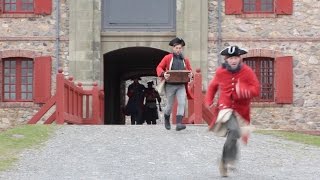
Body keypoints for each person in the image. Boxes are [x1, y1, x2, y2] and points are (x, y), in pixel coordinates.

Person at [205, 45, 260, 177]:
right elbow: (213, 86)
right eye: (230, 58)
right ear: (226, 59)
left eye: (235, 57)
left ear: (240, 58)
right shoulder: (220, 72)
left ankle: (229, 159)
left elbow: (256, 90)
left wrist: (244, 91)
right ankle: (225, 161)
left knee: (235, 135)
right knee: (234, 131)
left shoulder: (247, 71)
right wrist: (209, 100)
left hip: (241, 110)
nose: (233, 60)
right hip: (225, 108)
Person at [156, 37, 193, 131]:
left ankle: (179, 123)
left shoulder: (185, 60)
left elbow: (190, 71)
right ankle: (167, 117)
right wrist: (163, 74)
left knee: (182, 102)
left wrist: (191, 74)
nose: (178, 50)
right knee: (170, 105)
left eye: (180, 48)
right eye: (176, 48)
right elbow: (159, 67)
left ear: (182, 49)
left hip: (181, 85)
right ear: (173, 48)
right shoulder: (167, 58)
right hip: (170, 85)